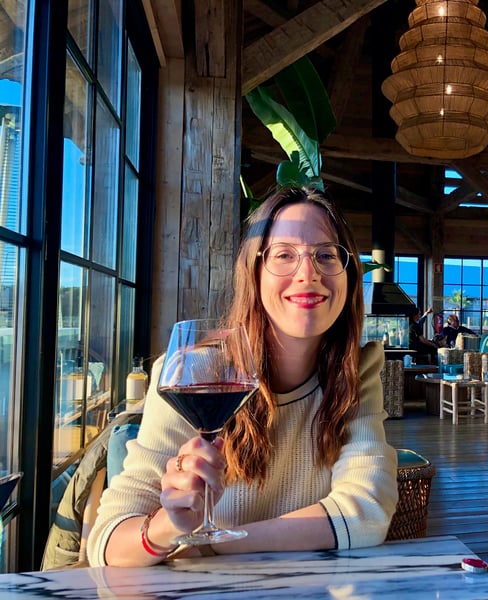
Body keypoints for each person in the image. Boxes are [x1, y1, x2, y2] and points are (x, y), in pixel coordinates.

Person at [88, 186, 399, 567]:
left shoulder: (356, 371)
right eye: (284, 255)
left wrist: (215, 545)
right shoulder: (190, 372)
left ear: (348, 276)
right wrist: (170, 525)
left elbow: (367, 510)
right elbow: (106, 543)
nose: (308, 273)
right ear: (254, 273)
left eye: (325, 255)